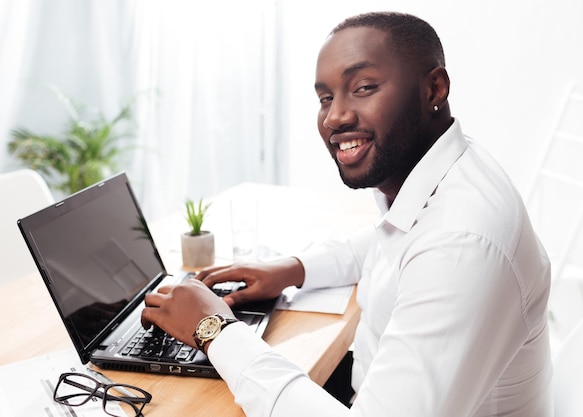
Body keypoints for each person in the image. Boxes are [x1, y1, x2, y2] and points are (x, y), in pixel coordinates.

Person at [141, 11, 553, 417]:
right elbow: (387, 241)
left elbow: (438, 248)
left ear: (434, 89)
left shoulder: (462, 240)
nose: (335, 116)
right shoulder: (443, 178)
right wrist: (291, 269)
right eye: (325, 98)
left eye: (364, 87)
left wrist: (213, 329)